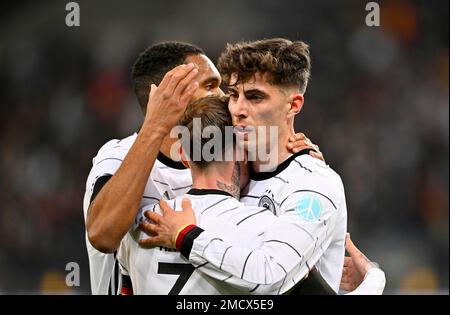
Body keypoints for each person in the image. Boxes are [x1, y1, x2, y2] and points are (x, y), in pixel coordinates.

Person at [83, 41, 319, 294]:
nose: (224, 96)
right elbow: (103, 236)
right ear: (167, 94)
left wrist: (305, 170)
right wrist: (155, 124)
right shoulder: (119, 156)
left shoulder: (233, 160)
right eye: (210, 85)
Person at [141, 38, 348, 293]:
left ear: (293, 105)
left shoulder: (313, 184)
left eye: (255, 97)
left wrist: (186, 236)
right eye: (233, 95)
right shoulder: (225, 173)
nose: (238, 109)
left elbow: (270, 276)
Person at [126, 95, 385, 295]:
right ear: (242, 151)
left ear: (183, 155)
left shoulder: (140, 224)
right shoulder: (262, 231)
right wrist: (374, 277)